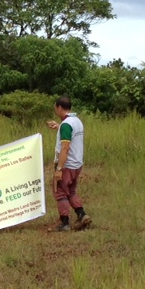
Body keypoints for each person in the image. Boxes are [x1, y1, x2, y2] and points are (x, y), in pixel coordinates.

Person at [46, 97, 92, 232]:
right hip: (77, 164)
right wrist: (59, 127)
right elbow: (70, 133)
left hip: (67, 165)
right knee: (71, 191)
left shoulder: (66, 125)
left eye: (55, 108)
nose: (55, 111)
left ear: (59, 107)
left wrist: (59, 169)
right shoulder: (76, 121)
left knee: (60, 192)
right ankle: (82, 215)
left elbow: (65, 148)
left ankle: (64, 222)